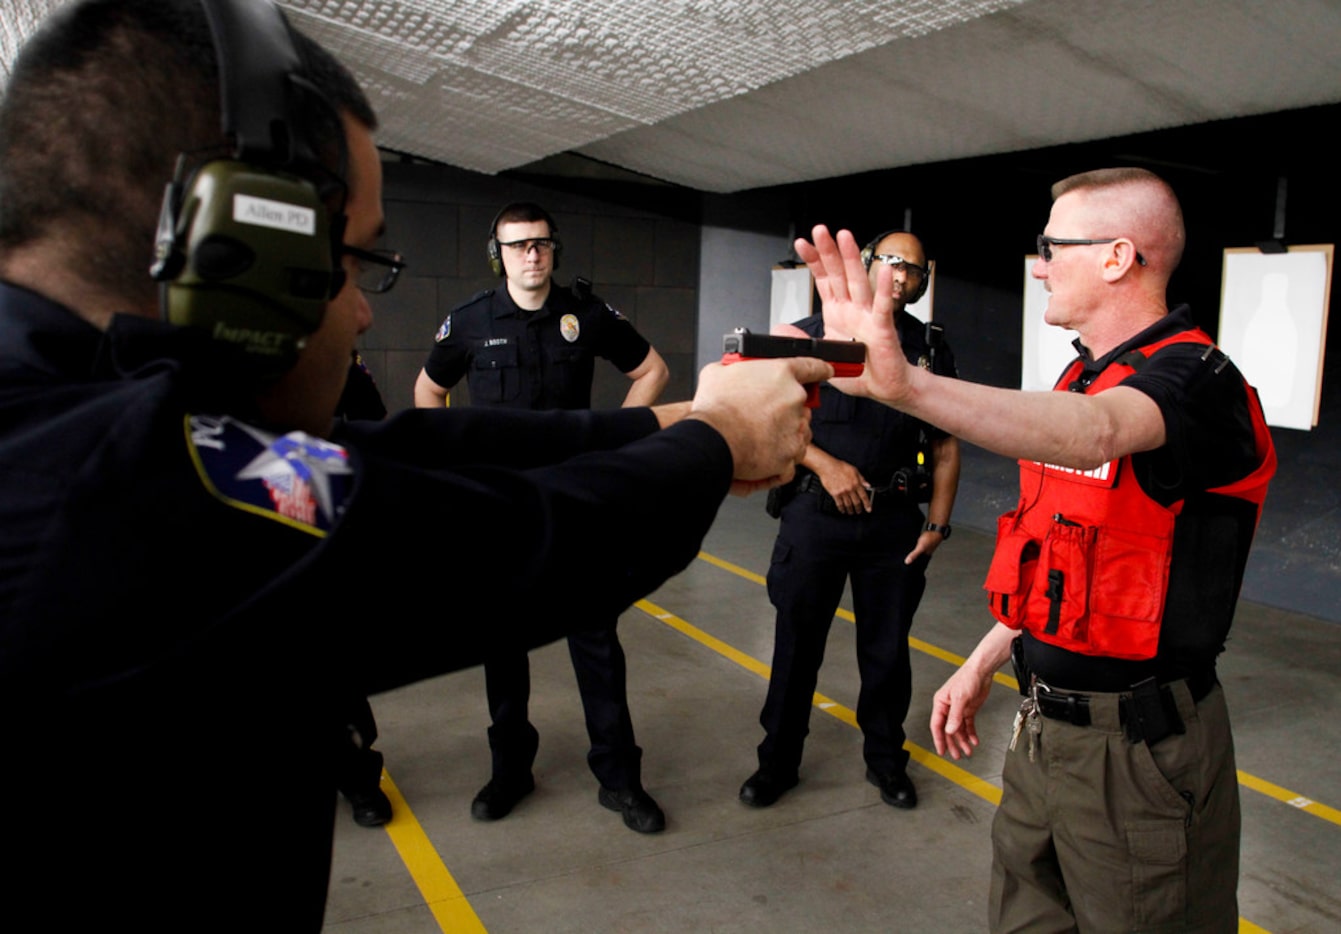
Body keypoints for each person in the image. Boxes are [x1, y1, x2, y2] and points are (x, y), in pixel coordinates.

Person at [0, 1, 827, 928]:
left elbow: (386, 452)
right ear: (242, 245)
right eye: (354, 263)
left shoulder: (73, 410)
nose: (360, 315)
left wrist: (670, 422)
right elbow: (500, 548)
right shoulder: (90, 487)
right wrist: (716, 444)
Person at [796, 168, 1275, 932]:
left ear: (1118, 257)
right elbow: (1063, 548)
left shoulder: (1195, 380)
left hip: (1139, 754)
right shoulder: (1080, 379)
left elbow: (1104, 432)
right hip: (1044, 733)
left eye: (1053, 247)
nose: (1040, 265)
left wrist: (905, 388)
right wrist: (983, 658)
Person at [413, 203, 673, 833]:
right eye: (518, 245)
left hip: (575, 504)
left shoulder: (585, 314)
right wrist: (457, 456)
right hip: (501, 508)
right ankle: (510, 771)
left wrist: (613, 439)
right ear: (497, 254)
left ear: (553, 250)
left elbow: (652, 370)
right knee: (502, 646)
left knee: (598, 646)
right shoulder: (470, 321)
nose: (532, 254)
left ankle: (619, 779)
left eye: (541, 244)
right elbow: (428, 389)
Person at [739, 231, 960, 811]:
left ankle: (887, 763)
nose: (899, 274)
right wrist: (825, 464)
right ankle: (777, 764)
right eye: (889, 260)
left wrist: (936, 526)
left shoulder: (929, 349)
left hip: (891, 525)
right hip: (815, 514)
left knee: (886, 654)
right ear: (866, 264)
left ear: (921, 280)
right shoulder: (812, 337)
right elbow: (767, 419)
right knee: (796, 647)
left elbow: (944, 446)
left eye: (911, 268)